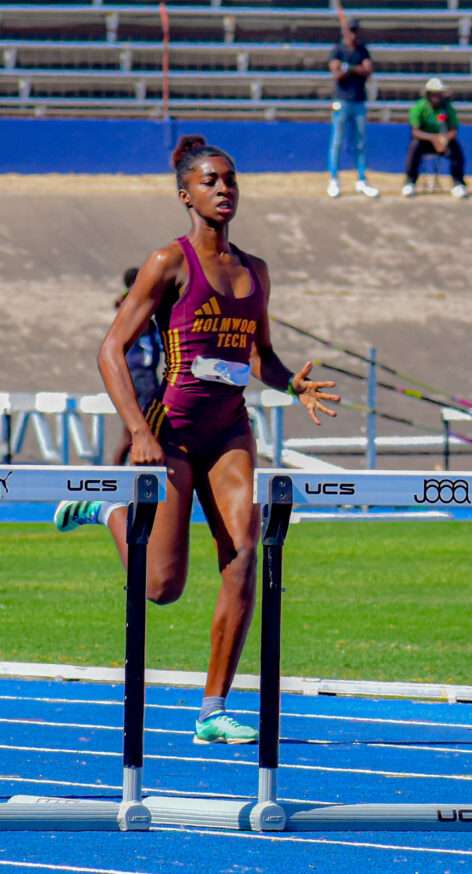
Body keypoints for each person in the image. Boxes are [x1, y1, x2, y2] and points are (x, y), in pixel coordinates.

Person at [54, 136, 340, 742]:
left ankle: (213, 710)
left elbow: (260, 356)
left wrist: (293, 386)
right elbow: (111, 349)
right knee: (162, 588)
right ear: (186, 194)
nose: (224, 189)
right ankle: (107, 512)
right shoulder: (170, 263)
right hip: (174, 432)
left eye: (231, 179)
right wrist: (138, 429)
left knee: (244, 555)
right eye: (210, 181)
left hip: (230, 430)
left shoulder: (256, 271)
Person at [111, 267, 163, 465]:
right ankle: (127, 473)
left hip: (148, 375)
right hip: (138, 375)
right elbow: (123, 304)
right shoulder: (133, 304)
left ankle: (126, 472)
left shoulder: (139, 305)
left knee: (138, 429)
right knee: (140, 428)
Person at [326, 19, 379, 199]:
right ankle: (334, 179)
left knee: (360, 143)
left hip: (358, 102)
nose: (353, 35)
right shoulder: (337, 50)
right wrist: (355, 69)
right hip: (341, 101)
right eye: (350, 31)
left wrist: (348, 67)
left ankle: (361, 180)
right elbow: (337, 73)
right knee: (337, 142)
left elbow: (368, 70)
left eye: (355, 31)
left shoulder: (362, 50)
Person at [402, 78, 467, 199]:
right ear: (428, 94)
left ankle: (458, 183)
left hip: (443, 142)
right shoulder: (419, 107)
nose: (436, 96)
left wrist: (444, 139)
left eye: (438, 93)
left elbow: (454, 130)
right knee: (414, 147)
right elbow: (415, 131)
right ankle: (410, 182)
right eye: (433, 93)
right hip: (424, 142)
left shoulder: (447, 108)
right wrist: (433, 138)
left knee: (456, 149)